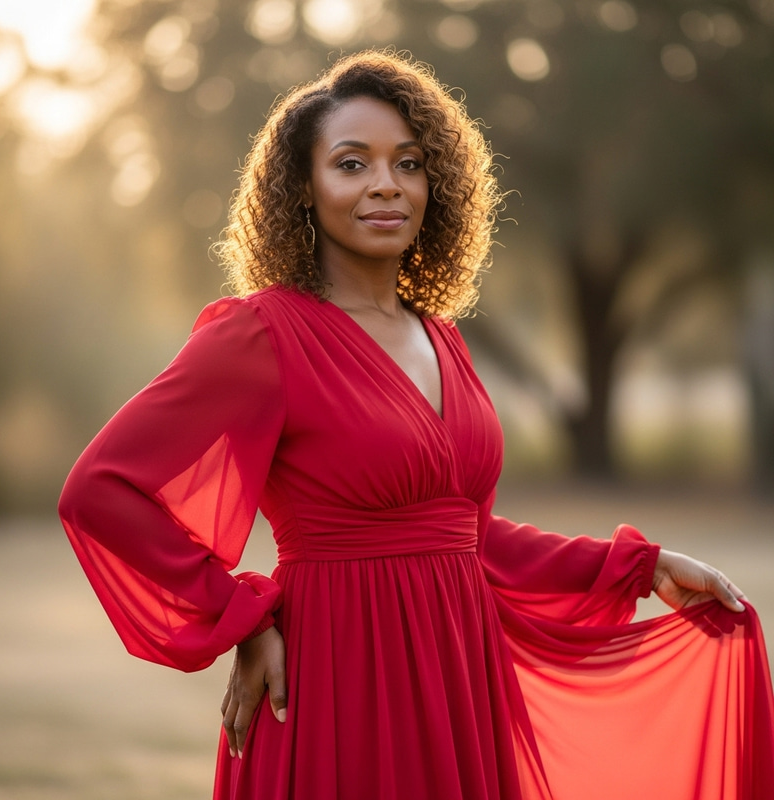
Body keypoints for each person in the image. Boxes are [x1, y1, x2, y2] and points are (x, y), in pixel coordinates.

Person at [59, 50, 774, 800]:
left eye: (408, 163)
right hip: (335, 679)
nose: (385, 185)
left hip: (459, 679)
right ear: (303, 188)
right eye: (350, 163)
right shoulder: (261, 335)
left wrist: (642, 565)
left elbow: (466, 535)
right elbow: (101, 490)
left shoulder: (441, 336)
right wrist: (244, 618)